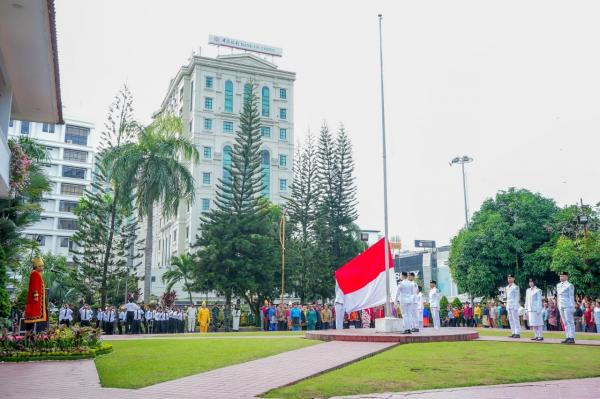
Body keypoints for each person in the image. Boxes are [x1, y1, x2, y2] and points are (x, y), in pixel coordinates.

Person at [24, 256, 48, 332]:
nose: (42, 268)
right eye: (41, 266)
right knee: (33, 316)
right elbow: (34, 286)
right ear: (36, 266)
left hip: (37, 299)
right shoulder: (35, 273)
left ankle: (31, 333)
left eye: (42, 266)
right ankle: (30, 334)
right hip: (36, 300)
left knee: (34, 317)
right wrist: (36, 296)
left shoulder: (37, 273)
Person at [557, 271, 576, 344]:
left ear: (566, 277)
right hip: (561, 305)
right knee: (565, 322)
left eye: (562, 276)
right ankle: (568, 336)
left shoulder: (569, 285)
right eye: (560, 276)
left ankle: (572, 337)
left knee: (570, 321)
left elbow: (571, 296)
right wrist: (558, 305)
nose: (561, 277)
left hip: (568, 305)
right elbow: (558, 296)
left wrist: (572, 307)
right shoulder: (558, 285)